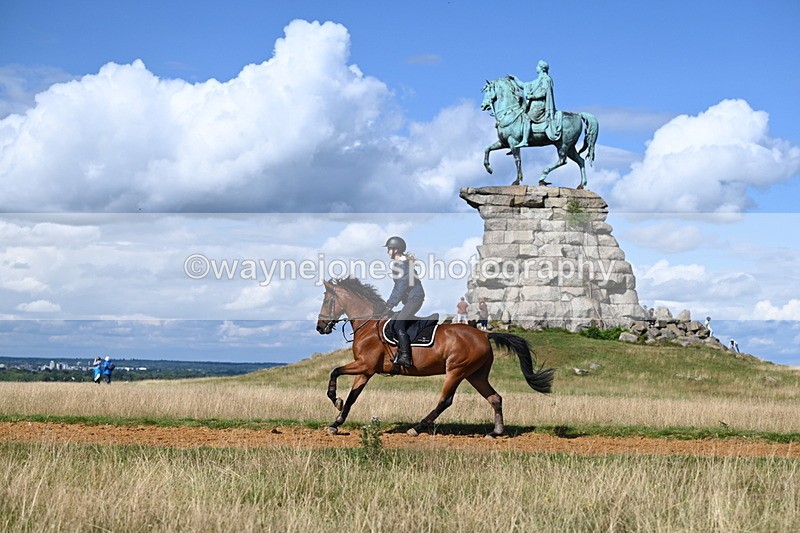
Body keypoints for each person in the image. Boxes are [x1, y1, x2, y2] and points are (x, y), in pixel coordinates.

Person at [383, 236, 425, 368]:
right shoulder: (401, 264)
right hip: (412, 299)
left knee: (398, 325)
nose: (387, 252)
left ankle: (406, 357)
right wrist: (389, 303)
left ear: (396, 250)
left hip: (415, 299)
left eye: (389, 249)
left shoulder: (402, 265)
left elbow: (401, 286)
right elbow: (398, 288)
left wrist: (390, 304)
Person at [509, 60, 562, 149]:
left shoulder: (546, 79)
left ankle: (525, 140)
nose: (536, 68)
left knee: (526, 117)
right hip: (534, 104)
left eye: (537, 66)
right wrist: (515, 79)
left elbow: (544, 92)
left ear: (541, 68)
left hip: (540, 105)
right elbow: (524, 85)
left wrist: (532, 96)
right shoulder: (537, 81)